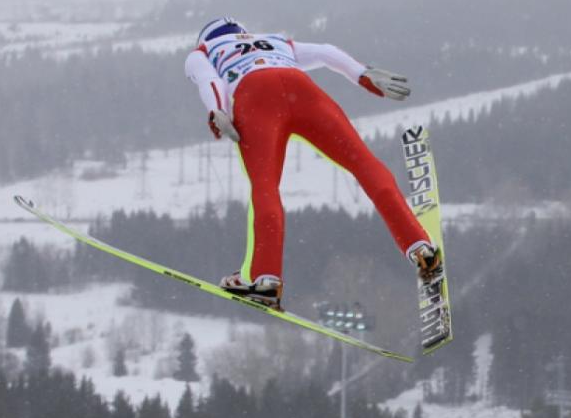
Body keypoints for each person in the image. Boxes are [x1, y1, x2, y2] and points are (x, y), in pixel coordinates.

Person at [185, 17, 442, 309]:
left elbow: (210, 80)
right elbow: (325, 52)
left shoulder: (203, 51)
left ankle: (266, 280)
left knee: (265, 186)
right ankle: (420, 246)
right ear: (242, 32)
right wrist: (361, 73)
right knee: (364, 163)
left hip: (255, 97)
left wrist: (217, 110)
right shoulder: (275, 40)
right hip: (303, 91)